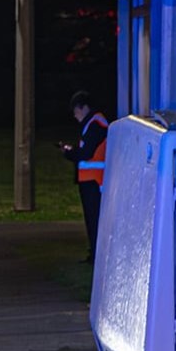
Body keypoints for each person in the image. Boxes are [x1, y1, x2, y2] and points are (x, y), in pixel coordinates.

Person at [58, 91, 109, 261]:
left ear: (84, 107)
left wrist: (70, 153)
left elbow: (86, 153)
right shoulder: (93, 123)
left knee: (94, 219)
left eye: (76, 110)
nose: (75, 115)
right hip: (90, 180)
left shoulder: (96, 124)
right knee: (92, 219)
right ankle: (94, 252)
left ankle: (96, 254)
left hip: (94, 181)